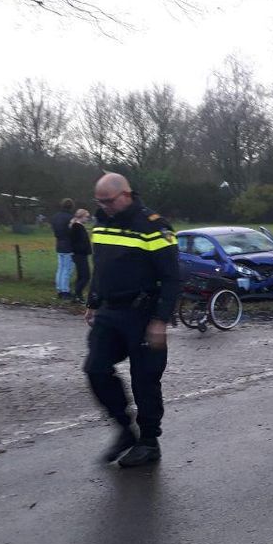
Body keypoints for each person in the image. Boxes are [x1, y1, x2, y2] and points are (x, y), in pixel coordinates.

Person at [83, 173, 179, 467]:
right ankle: (125, 429)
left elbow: (172, 277)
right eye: (99, 202)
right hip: (110, 312)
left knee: (145, 380)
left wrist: (160, 320)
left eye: (108, 201)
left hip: (142, 313)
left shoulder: (153, 226)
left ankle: (149, 442)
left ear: (125, 194)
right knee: (96, 369)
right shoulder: (102, 223)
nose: (104, 207)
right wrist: (93, 301)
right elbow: (100, 266)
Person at [51, 198, 75, 300]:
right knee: (67, 269)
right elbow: (73, 232)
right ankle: (65, 291)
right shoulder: (70, 218)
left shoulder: (55, 217)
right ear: (71, 206)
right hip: (69, 245)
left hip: (59, 244)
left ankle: (60, 289)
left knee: (60, 268)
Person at [69, 208, 92, 303]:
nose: (87, 219)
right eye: (86, 217)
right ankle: (77, 294)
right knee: (85, 276)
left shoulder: (79, 226)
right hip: (80, 254)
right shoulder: (77, 227)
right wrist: (84, 249)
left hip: (81, 254)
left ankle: (78, 296)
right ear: (81, 216)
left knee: (80, 275)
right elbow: (77, 242)